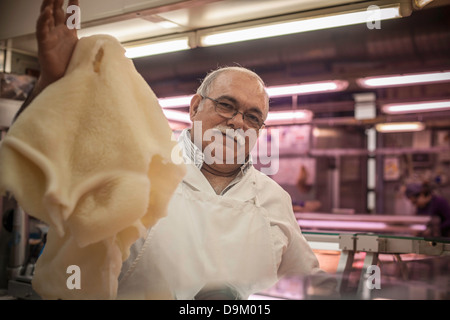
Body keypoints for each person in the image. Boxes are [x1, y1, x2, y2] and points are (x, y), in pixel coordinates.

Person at [17, 0, 336, 299]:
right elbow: (46, 179)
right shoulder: (137, 169)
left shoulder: (273, 198)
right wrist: (52, 85)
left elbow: (306, 281)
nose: (238, 122)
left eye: (253, 117)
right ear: (195, 106)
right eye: (226, 106)